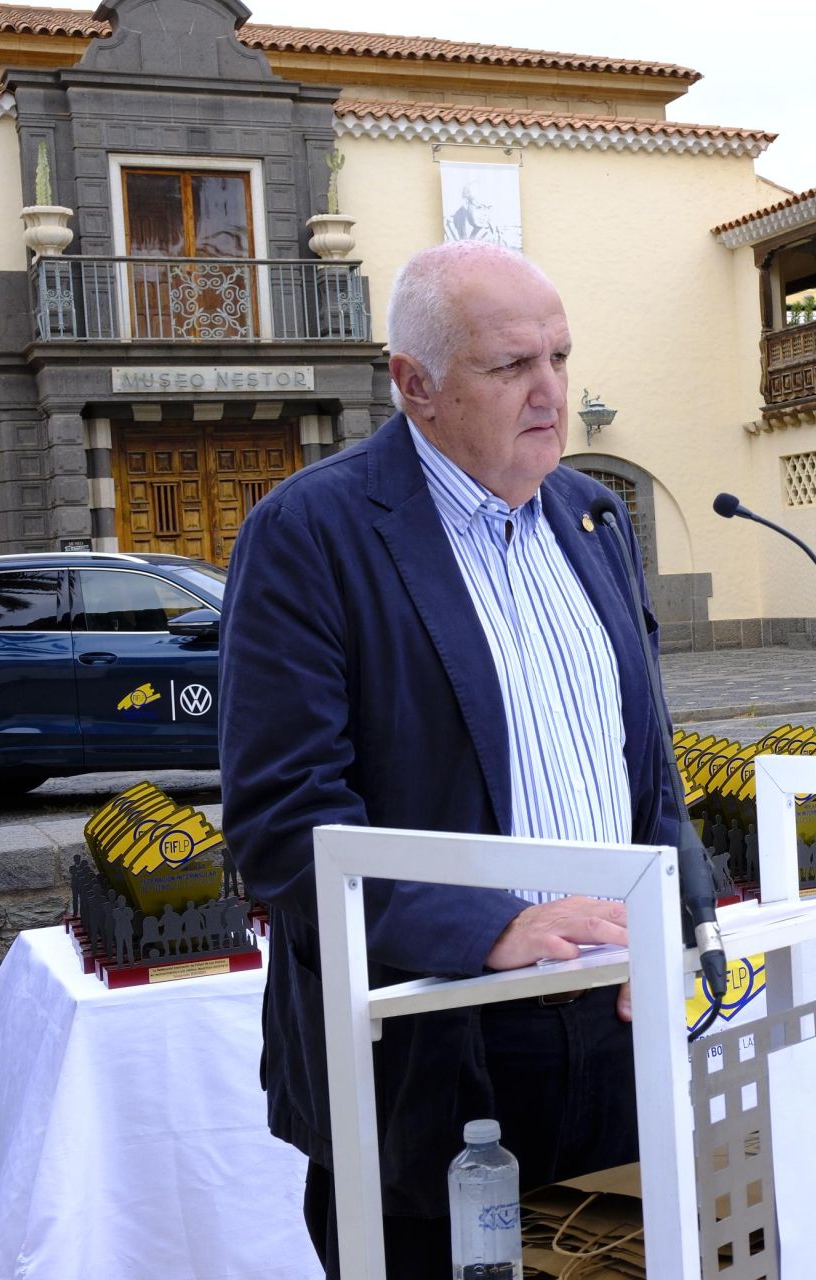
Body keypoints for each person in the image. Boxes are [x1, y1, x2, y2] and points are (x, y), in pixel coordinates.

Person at [218, 241, 684, 1278]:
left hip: (615, 1032)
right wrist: (494, 925)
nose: (551, 390)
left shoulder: (593, 518)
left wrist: (680, 923)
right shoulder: (311, 533)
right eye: (511, 365)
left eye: (560, 356)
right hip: (435, 1046)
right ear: (414, 384)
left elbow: (648, 774)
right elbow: (284, 821)